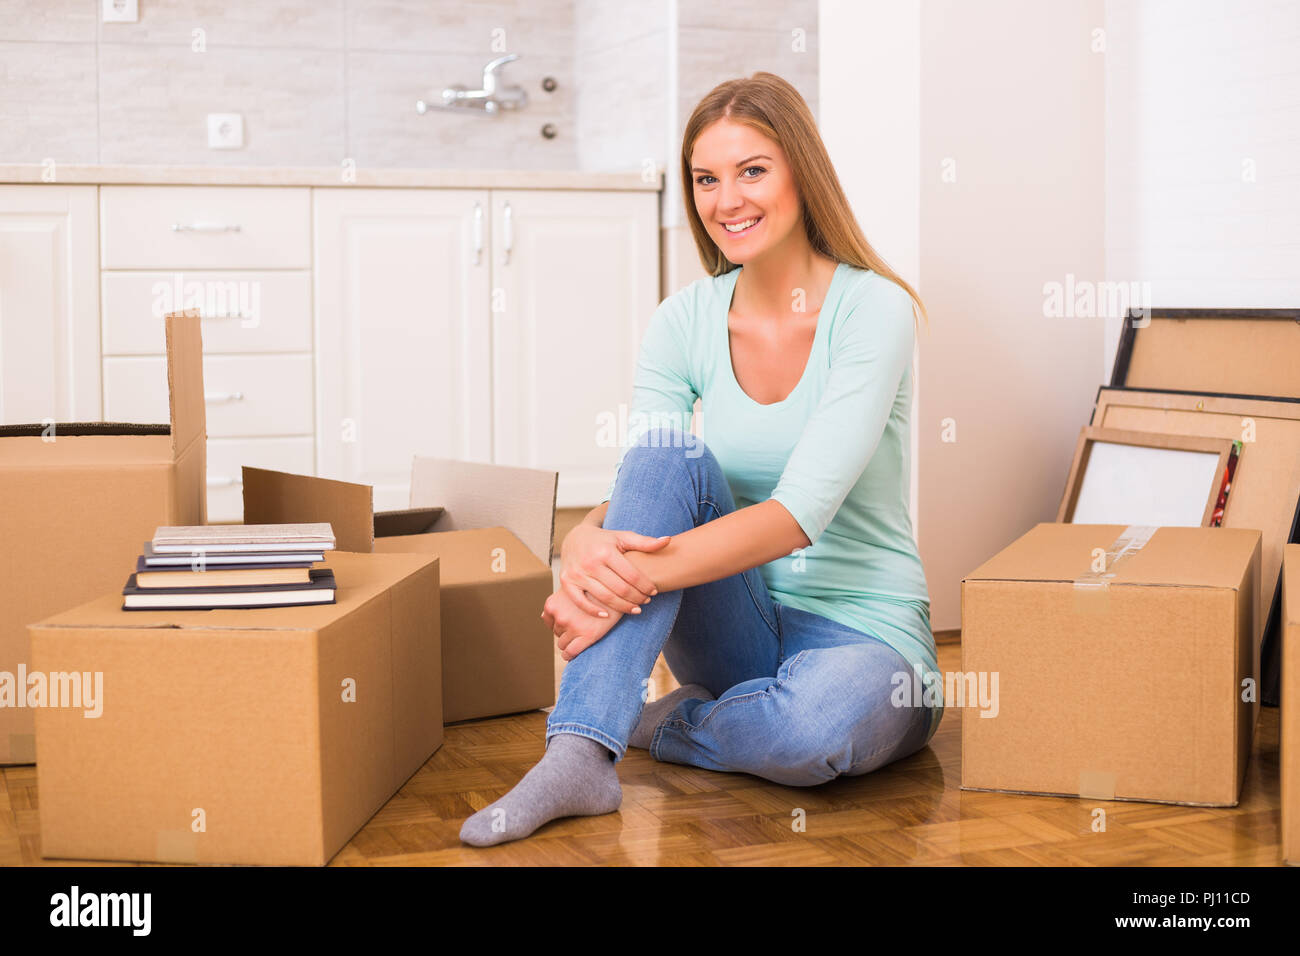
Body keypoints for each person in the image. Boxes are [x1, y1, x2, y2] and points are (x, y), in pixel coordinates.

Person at [460, 71, 941, 847]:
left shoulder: (872, 308)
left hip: (866, 636)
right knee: (667, 452)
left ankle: (658, 722)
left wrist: (618, 578)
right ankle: (580, 752)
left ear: (801, 173)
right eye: (706, 179)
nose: (727, 200)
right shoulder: (683, 319)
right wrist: (582, 544)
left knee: (810, 735)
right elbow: (651, 482)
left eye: (753, 170)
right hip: (734, 625)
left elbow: (795, 518)